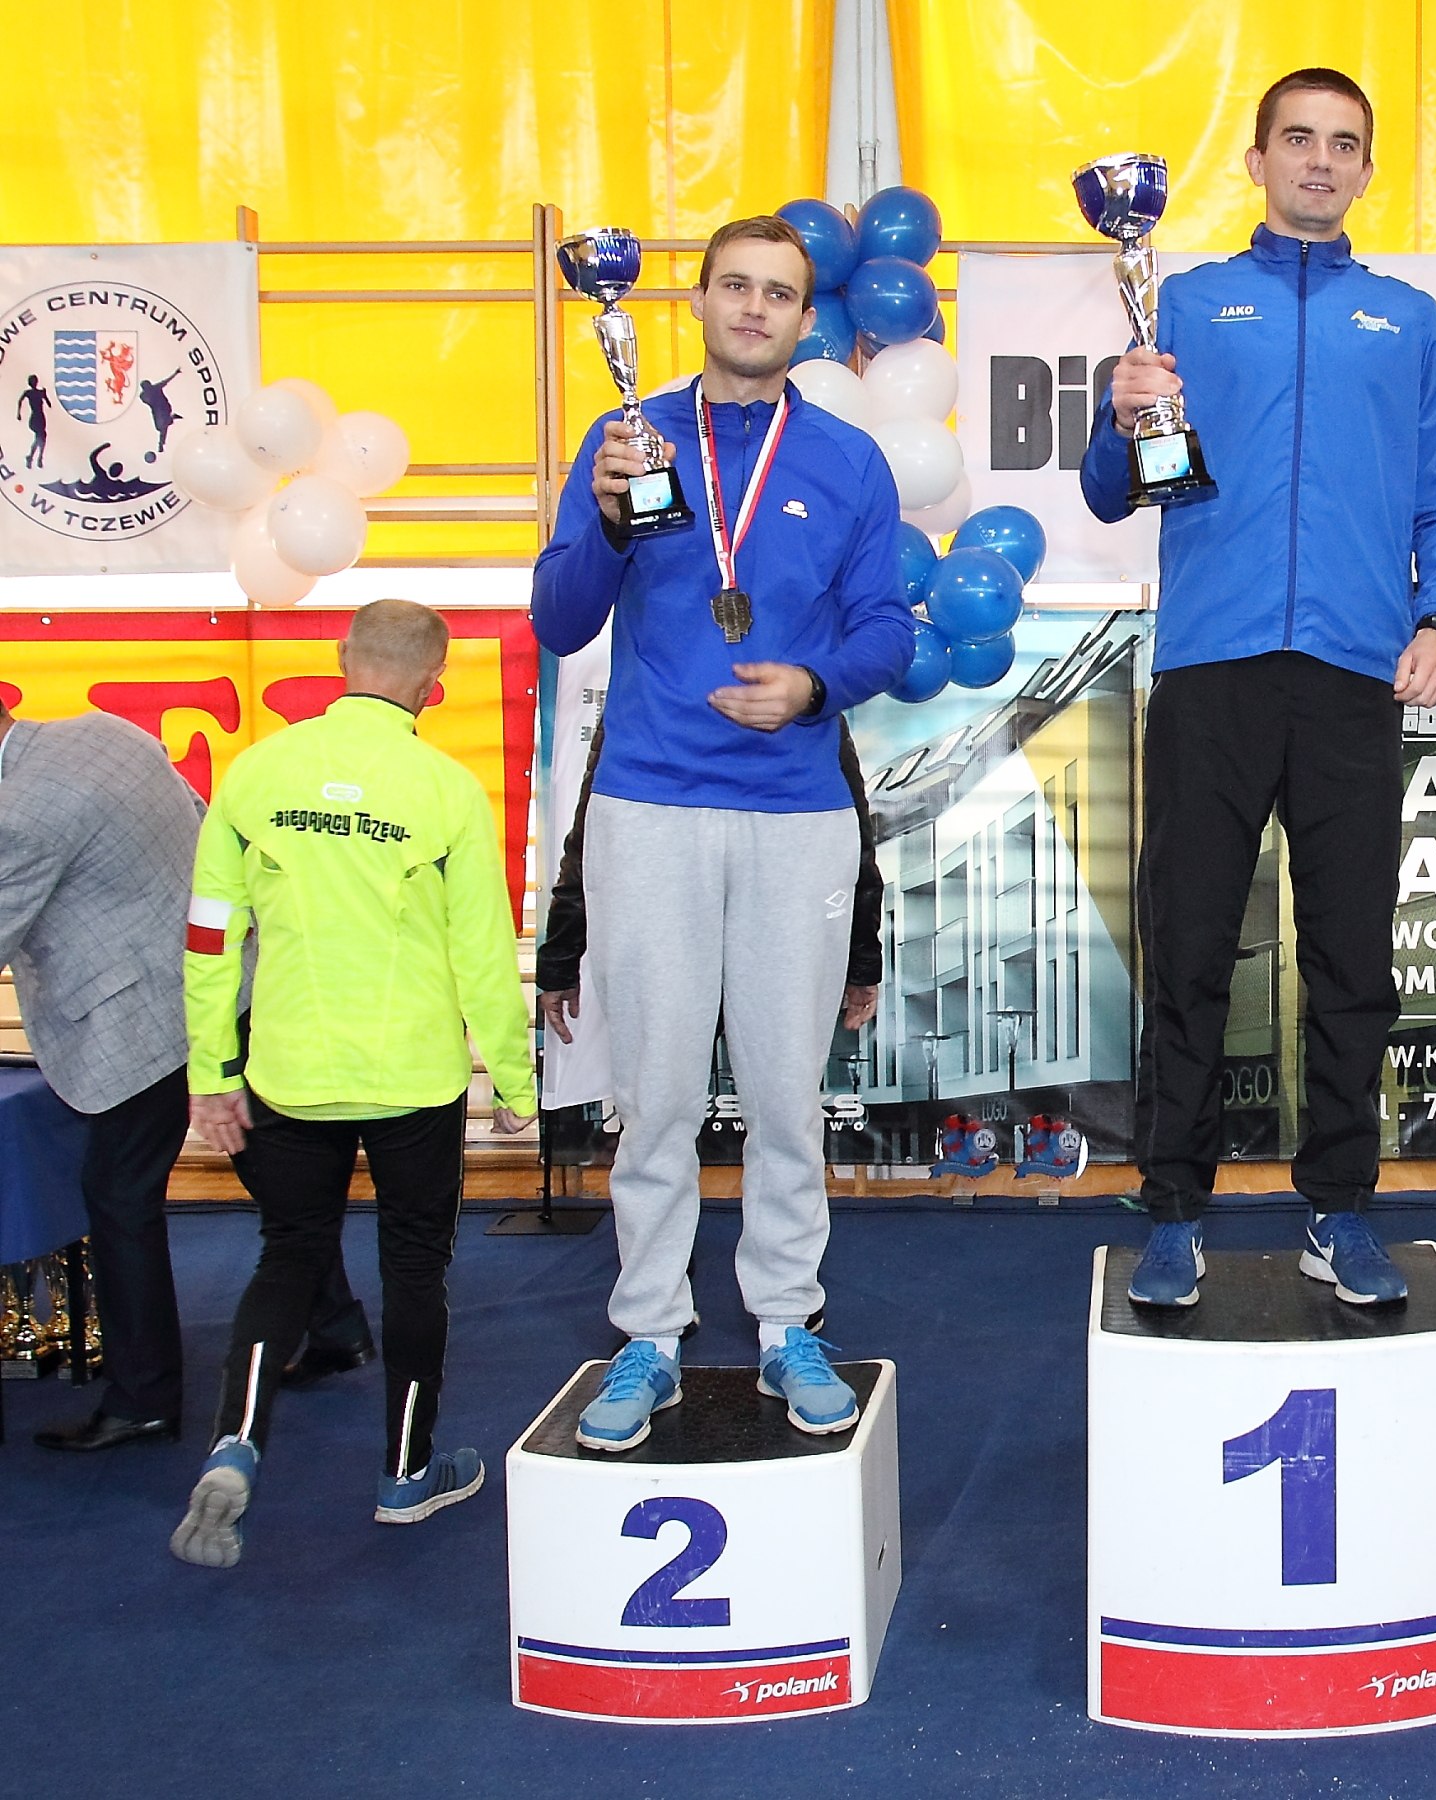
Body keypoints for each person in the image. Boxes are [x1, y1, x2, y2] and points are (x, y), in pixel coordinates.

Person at [1080, 67, 1436, 1308]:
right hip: (1212, 666)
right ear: (1256, 161)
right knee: (1191, 947)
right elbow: (1109, 491)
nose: (1319, 160)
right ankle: (1174, 1211)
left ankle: (1339, 1209)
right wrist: (1116, 414)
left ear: (1366, 169)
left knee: (1354, 957)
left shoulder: (1409, 321)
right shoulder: (1187, 303)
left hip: (1356, 671)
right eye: (1297, 139)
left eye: (1343, 143)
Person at [532, 214, 912, 1449]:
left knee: (788, 1096)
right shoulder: (627, 439)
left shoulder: (848, 462)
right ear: (697, 301)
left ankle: (788, 1320)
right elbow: (559, 620)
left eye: (779, 293)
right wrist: (602, 517)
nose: (754, 308)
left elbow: (887, 631)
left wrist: (813, 685)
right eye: (735, 286)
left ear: (808, 319)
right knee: (655, 1098)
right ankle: (648, 1331)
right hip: (650, 805)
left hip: (797, 815)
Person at [170, 601, 535, 1568]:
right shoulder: (446, 790)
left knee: (288, 1255)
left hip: (288, 1067)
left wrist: (212, 1072)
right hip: (412, 1074)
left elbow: (209, 940)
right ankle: (407, 1474)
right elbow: (482, 954)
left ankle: (235, 1446)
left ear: (341, 659)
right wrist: (515, 1081)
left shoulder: (255, 773)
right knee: (415, 1267)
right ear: (434, 687)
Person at [0, 697, 371, 1453]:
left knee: (118, 1194)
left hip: (143, 1021)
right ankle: (336, 1326)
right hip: (223, 979)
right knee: (268, 1162)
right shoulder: (105, 732)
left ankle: (143, 1396)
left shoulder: (22, 811)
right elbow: (206, 824)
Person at [537, 716, 884, 1050]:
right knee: (680, 1075)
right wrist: (559, 963)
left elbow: (852, 849)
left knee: (687, 1071)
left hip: (720, 930)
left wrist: (863, 963)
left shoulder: (810, 698)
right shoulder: (645, 700)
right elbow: (592, 844)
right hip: (714, 931)